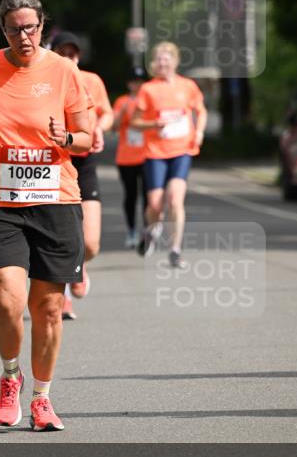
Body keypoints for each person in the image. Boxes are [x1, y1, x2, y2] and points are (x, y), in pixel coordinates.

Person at [0, 0, 92, 432]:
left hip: (55, 200)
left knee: (48, 307)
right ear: (3, 29)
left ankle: (42, 399)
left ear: (42, 26)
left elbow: (86, 138)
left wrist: (64, 138)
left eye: (30, 28)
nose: (23, 37)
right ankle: (10, 377)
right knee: (6, 297)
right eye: (14, 30)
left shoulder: (65, 71)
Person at [50, 32, 112, 319]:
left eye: (72, 54)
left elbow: (107, 113)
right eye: (62, 52)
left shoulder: (92, 81)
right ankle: (61, 298)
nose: (68, 59)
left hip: (84, 163)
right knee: (59, 238)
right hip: (55, 162)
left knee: (90, 243)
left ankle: (80, 263)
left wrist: (99, 128)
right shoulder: (46, 80)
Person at [129, 42, 207, 268]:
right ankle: (151, 230)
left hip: (182, 150)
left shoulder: (188, 86)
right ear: (155, 63)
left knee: (175, 199)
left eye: (167, 58)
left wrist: (199, 131)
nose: (163, 62)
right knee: (155, 205)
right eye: (159, 59)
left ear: (175, 60)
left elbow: (201, 111)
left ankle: (175, 249)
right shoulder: (148, 89)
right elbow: (135, 122)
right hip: (155, 153)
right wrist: (154, 123)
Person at [113, 67, 147, 248]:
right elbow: (115, 127)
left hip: (148, 155)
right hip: (126, 157)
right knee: (131, 196)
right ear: (129, 83)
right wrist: (123, 111)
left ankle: (147, 231)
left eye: (140, 81)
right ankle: (132, 230)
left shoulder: (149, 100)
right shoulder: (122, 101)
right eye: (134, 81)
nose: (137, 85)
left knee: (149, 196)